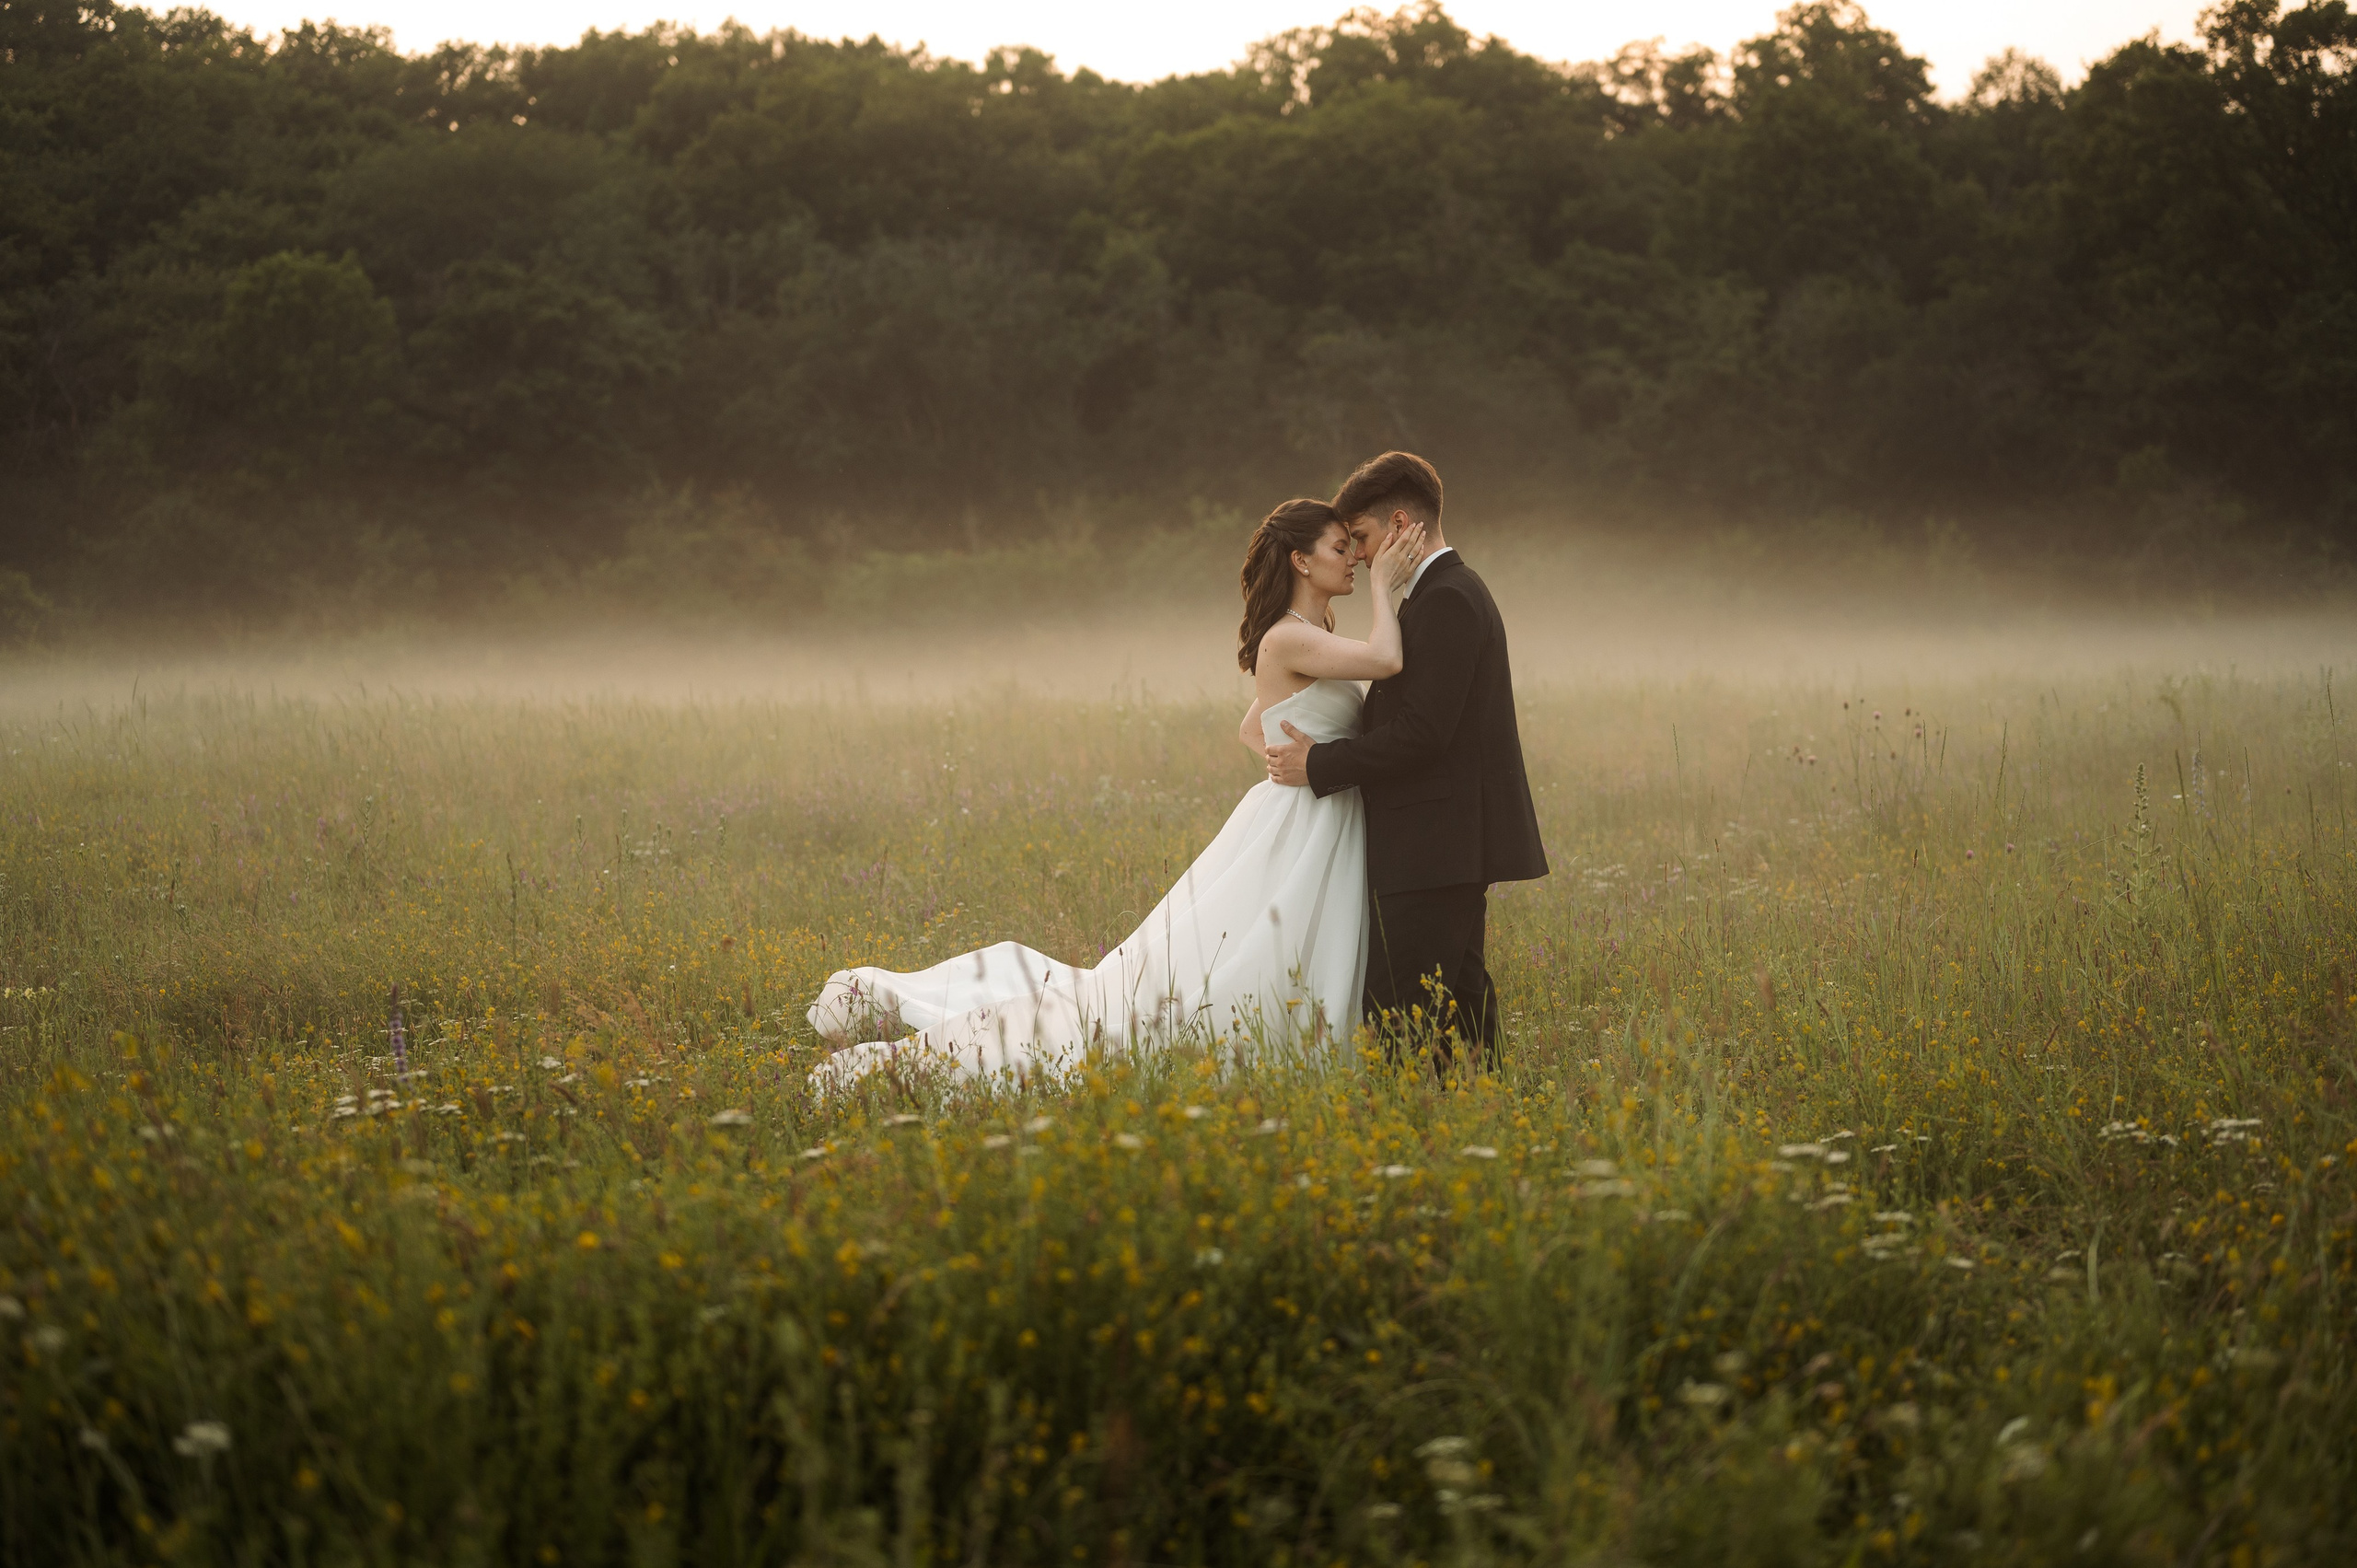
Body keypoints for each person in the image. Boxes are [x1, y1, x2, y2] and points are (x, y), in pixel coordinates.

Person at [806, 499, 1425, 1091]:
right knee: (1256, 953)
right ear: (1300, 558)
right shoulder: (1287, 637)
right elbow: (1387, 658)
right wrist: (1386, 587)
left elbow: (1250, 726)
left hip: (1312, 806)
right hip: (1303, 817)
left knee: (1297, 942)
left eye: (1354, 551)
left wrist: (1292, 755)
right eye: (1341, 548)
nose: (1353, 559)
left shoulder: (1311, 633)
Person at [1262, 451, 1549, 1071]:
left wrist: (1319, 764)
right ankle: (1480, 1113)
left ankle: (1419, 1124)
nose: (1359, 554)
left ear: (1398, 524)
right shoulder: (1436, 596)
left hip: (1433, 843)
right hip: (1439, 842)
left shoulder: (1446, 598)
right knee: (1460, 999)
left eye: (1360, 537)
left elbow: (1423, 733)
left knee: (1400, 1008)